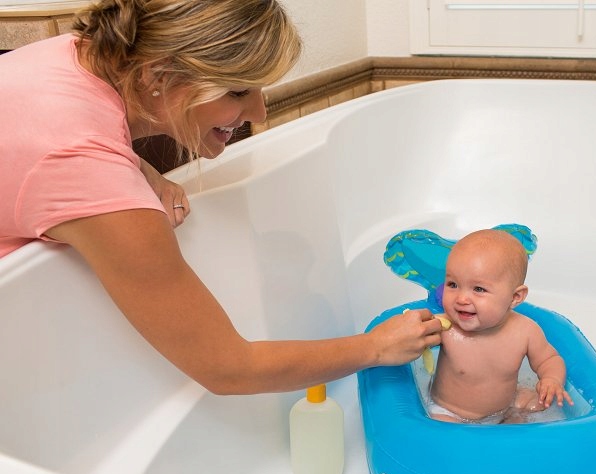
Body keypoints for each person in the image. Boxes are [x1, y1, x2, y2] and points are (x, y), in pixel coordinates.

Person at [0, 0, 442, 394]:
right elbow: (229, 369)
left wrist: (141, 169)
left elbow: (44, 138)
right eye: (238, 92)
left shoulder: (77, 54)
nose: (259, 112)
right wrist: (375, 347)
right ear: (157, 75)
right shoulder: (85, 168)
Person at [428, 229, 573, 424]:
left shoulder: (525, 331)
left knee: (535, 404)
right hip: (448, 412)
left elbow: (549, 359)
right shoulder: (444, 326)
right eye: (453, 284)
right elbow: (412, 340)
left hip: (504, 409)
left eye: (478, 289)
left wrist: (551, 380)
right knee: (444, 429)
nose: (461, 298)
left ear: (515, 297)